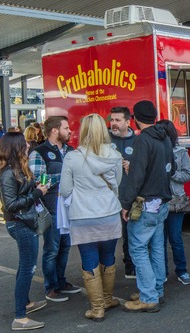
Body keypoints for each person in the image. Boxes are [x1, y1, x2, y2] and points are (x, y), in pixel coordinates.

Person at [60, 114, 122, 321]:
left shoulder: (72, 157)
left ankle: (97, 309)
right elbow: (117, 184)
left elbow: (66, 190)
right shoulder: (114, 154)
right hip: (109, 213)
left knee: (89, 260)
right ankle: (107, 299)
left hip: (82, 215)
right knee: (108, 257)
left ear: (83, 130)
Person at [121, 100, 173, 313]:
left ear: (135, 118)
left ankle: (148, 296)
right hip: (161, 202)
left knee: (139, 249)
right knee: (157, 248)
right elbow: (172, 167)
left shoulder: (143, 140)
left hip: (144, 203)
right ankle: (155, 290)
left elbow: (137, 176)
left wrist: (125, 203)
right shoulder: (165, 138)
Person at [0, 132, 48, 331]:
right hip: (20, 224)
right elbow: (10, 205)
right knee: (28, 268)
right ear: (17, 147)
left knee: (25, 266)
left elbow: (20, 194)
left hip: (25, 222)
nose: (28, 146)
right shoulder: (8, 173)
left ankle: (26, 303)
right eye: (25, 144)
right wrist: (37, 192)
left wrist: (35, 187)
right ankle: (20, 316)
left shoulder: (17, 169)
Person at [29, 116, 80, 302]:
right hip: (51, 208)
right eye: (66, 128)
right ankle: (50, 287)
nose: (70, 131)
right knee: (52, 249)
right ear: (55, 130)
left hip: (69, 207)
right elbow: (38, 181)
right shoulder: (39, 152)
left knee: (65, 246)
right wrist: (66, 176)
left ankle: (61, 282)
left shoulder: (71, 150)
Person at [157, 120, 190, 285]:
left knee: (175, 238)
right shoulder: (154, 151)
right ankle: (162, 272)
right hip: (156, 200)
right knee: (159, 240)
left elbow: (188, 175)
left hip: (176, 200)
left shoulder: (181, 152)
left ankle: (182, 271)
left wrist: (171, 173)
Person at [108, 106, 137, 279]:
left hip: (129, 196)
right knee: (108, 235)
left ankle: (130, 265)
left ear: (128, 122)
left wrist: (132, 167)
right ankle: (107, 269)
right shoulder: (105, 139)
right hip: (108, 196)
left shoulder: (138, 141)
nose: (114, 124)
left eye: (118, 120)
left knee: (129, 232)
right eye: (112, 120)